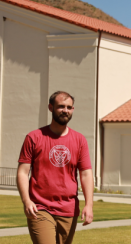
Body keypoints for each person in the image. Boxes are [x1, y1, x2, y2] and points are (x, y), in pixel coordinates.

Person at [16, 91, 94, 244]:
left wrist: (89, 205)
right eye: (61, 107)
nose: (65, 110)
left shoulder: (80, 140)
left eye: (69, 107)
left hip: (69, 210)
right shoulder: (34, 137)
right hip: (40, 208)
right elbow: (23, 173)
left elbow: (86, 173)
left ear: (73, 109)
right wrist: (26, 201)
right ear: (50, 108)